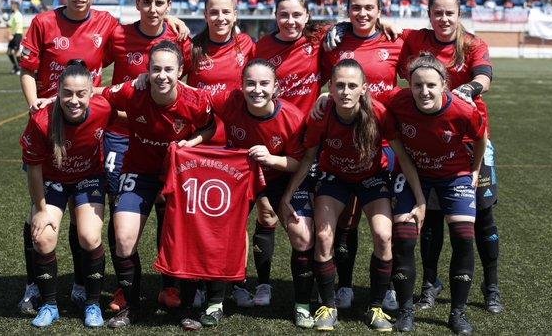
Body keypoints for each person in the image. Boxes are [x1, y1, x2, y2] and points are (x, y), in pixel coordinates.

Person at [280, 59, 423, 332]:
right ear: (330, 88)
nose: (345, 91)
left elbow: (402, 157)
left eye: (352, 86)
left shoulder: (378, 113)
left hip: (372, 179)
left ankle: (376, 306)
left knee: (384, 236)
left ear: (363, 89)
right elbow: (309, 156)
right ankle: (328, 305)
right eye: (340, 85)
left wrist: (421, 199)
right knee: (323, 238)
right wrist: (288, 194)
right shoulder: (322, 116)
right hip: (335, 180)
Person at [17, 0, 121, 315]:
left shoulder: (107, 23)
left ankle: (81, 283)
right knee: (38, 215)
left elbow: (141, 40)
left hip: (86, 120)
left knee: (85, 221)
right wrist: (35, 104)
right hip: (50, 121)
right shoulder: (44, 22)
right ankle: (34, 285)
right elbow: (27, 69)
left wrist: (173, 18)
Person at [397, 0, 503, 316]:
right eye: (437, 13)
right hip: (427, 137)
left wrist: (466, 90)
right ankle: (430, 282)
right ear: (429, 15)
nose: (443, 19)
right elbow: (377, 27)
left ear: (459, 16)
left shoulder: (472, 43)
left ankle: (491, 284)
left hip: (470, 138)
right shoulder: (415, 39)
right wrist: (340, 28)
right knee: (431, 217)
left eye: (449, 13)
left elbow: (484, 76)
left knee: (482, 217)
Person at [99, 41, 216, 328]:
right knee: (124, 240)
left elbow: (210, 126)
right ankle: (132, 305)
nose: (162, 75)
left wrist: (193, 142)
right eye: (155, 69)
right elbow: (99, 98)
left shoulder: (196, 100)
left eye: (168, 69)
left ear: (179, 72)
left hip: (179, 174)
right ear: (146, 71)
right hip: (139, 171)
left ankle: (188, 308)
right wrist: (51, 101)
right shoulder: (132, 90)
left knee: (187, 239)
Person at [103, 0, 190, 312]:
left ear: (168, 7)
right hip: (122, 138)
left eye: (160, 3)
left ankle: (169, 286)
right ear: (137, 3)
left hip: (167, 141)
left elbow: (187, 83)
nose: (152, 9)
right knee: (121, 214)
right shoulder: (119, 35)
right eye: (146, 2)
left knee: (168, 214)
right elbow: (96, 71)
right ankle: (126, 288)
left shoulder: (178, 37)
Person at [385, 52, 487, 334]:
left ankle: (458, 312)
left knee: (464, 239)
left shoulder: (463, 110)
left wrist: (475, 172)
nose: (424, 91)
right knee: (404, 238)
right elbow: (403, 157)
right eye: (417, 85)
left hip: (454, 177)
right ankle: (406, 311)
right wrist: (419, 199)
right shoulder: (398, 103)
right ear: (409, 85)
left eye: (431, 85)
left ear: (444, 84)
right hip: (413, 173)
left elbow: (481, 140)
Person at [205, 59, 312, 327]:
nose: (257, 90)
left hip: (279, 177)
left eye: (264, 83)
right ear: (241, 86)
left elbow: (300, 163)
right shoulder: (230, 101)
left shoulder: (292, 117)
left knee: (302, 235)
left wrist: (271, 158)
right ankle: (215, 300)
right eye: (250, 83)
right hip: (238, 175)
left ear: (276, 87)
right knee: (223, 229)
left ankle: (302, 305)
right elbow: (193, 96)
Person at [319, 0, 404, 311]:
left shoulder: (397, 39)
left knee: (391, 222)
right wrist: (333, 28)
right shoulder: (334, 43)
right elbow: (303, 31)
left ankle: (392, 285)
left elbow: (438, 34)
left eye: (370, 8)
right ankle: (344, 286)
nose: (363, 14)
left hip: (387, 143)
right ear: (347, 10)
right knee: (347, 220)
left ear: (380, 10)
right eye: (356, 8)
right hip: (344, 141)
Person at [20, 60, 117, 327]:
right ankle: (49, 305)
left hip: (88, 178)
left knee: (89, 236)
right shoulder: (41, 120)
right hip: (54, 182)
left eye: (81, 93)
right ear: (58, 92)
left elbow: (129, 117)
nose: (74, 100)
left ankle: (93, 304)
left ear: (91, 92)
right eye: (67, 93)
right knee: (43, 238)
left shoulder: (103, 107)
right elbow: (34, 170)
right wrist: (40, 210)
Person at [183, 0, 256, 145]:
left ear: (235, 15)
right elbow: (168, 80)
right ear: (205, 15)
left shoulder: (246, 44)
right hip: (198, 138)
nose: (220, 18)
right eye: (214, 12)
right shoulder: (192, 48)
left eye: (226, 12)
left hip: (238, 139)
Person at [6, 0, 24, 75]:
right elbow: (9, 24)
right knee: (9, 52)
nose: (11, 6)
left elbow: (18, 26)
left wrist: (12, 35)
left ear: (16, 6)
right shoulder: (13, 15)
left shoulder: (18, 15)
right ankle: (15, 66)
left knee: (17, 52)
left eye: (12, 5)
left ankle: (20, 68)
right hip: (13, 34)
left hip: (17, 34)